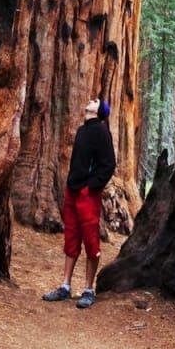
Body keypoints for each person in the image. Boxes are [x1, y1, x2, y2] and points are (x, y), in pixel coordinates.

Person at [42, 95, 116, 309]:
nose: (91, 100)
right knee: (71, 238)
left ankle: (88, 289)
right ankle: (65, 286)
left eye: (96, 100)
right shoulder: (83, 130)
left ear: (99, 110)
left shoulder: (102, 131)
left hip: (87, 194)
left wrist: (92, 186)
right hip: (72, 191)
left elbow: (109, 164)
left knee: (91, 241)